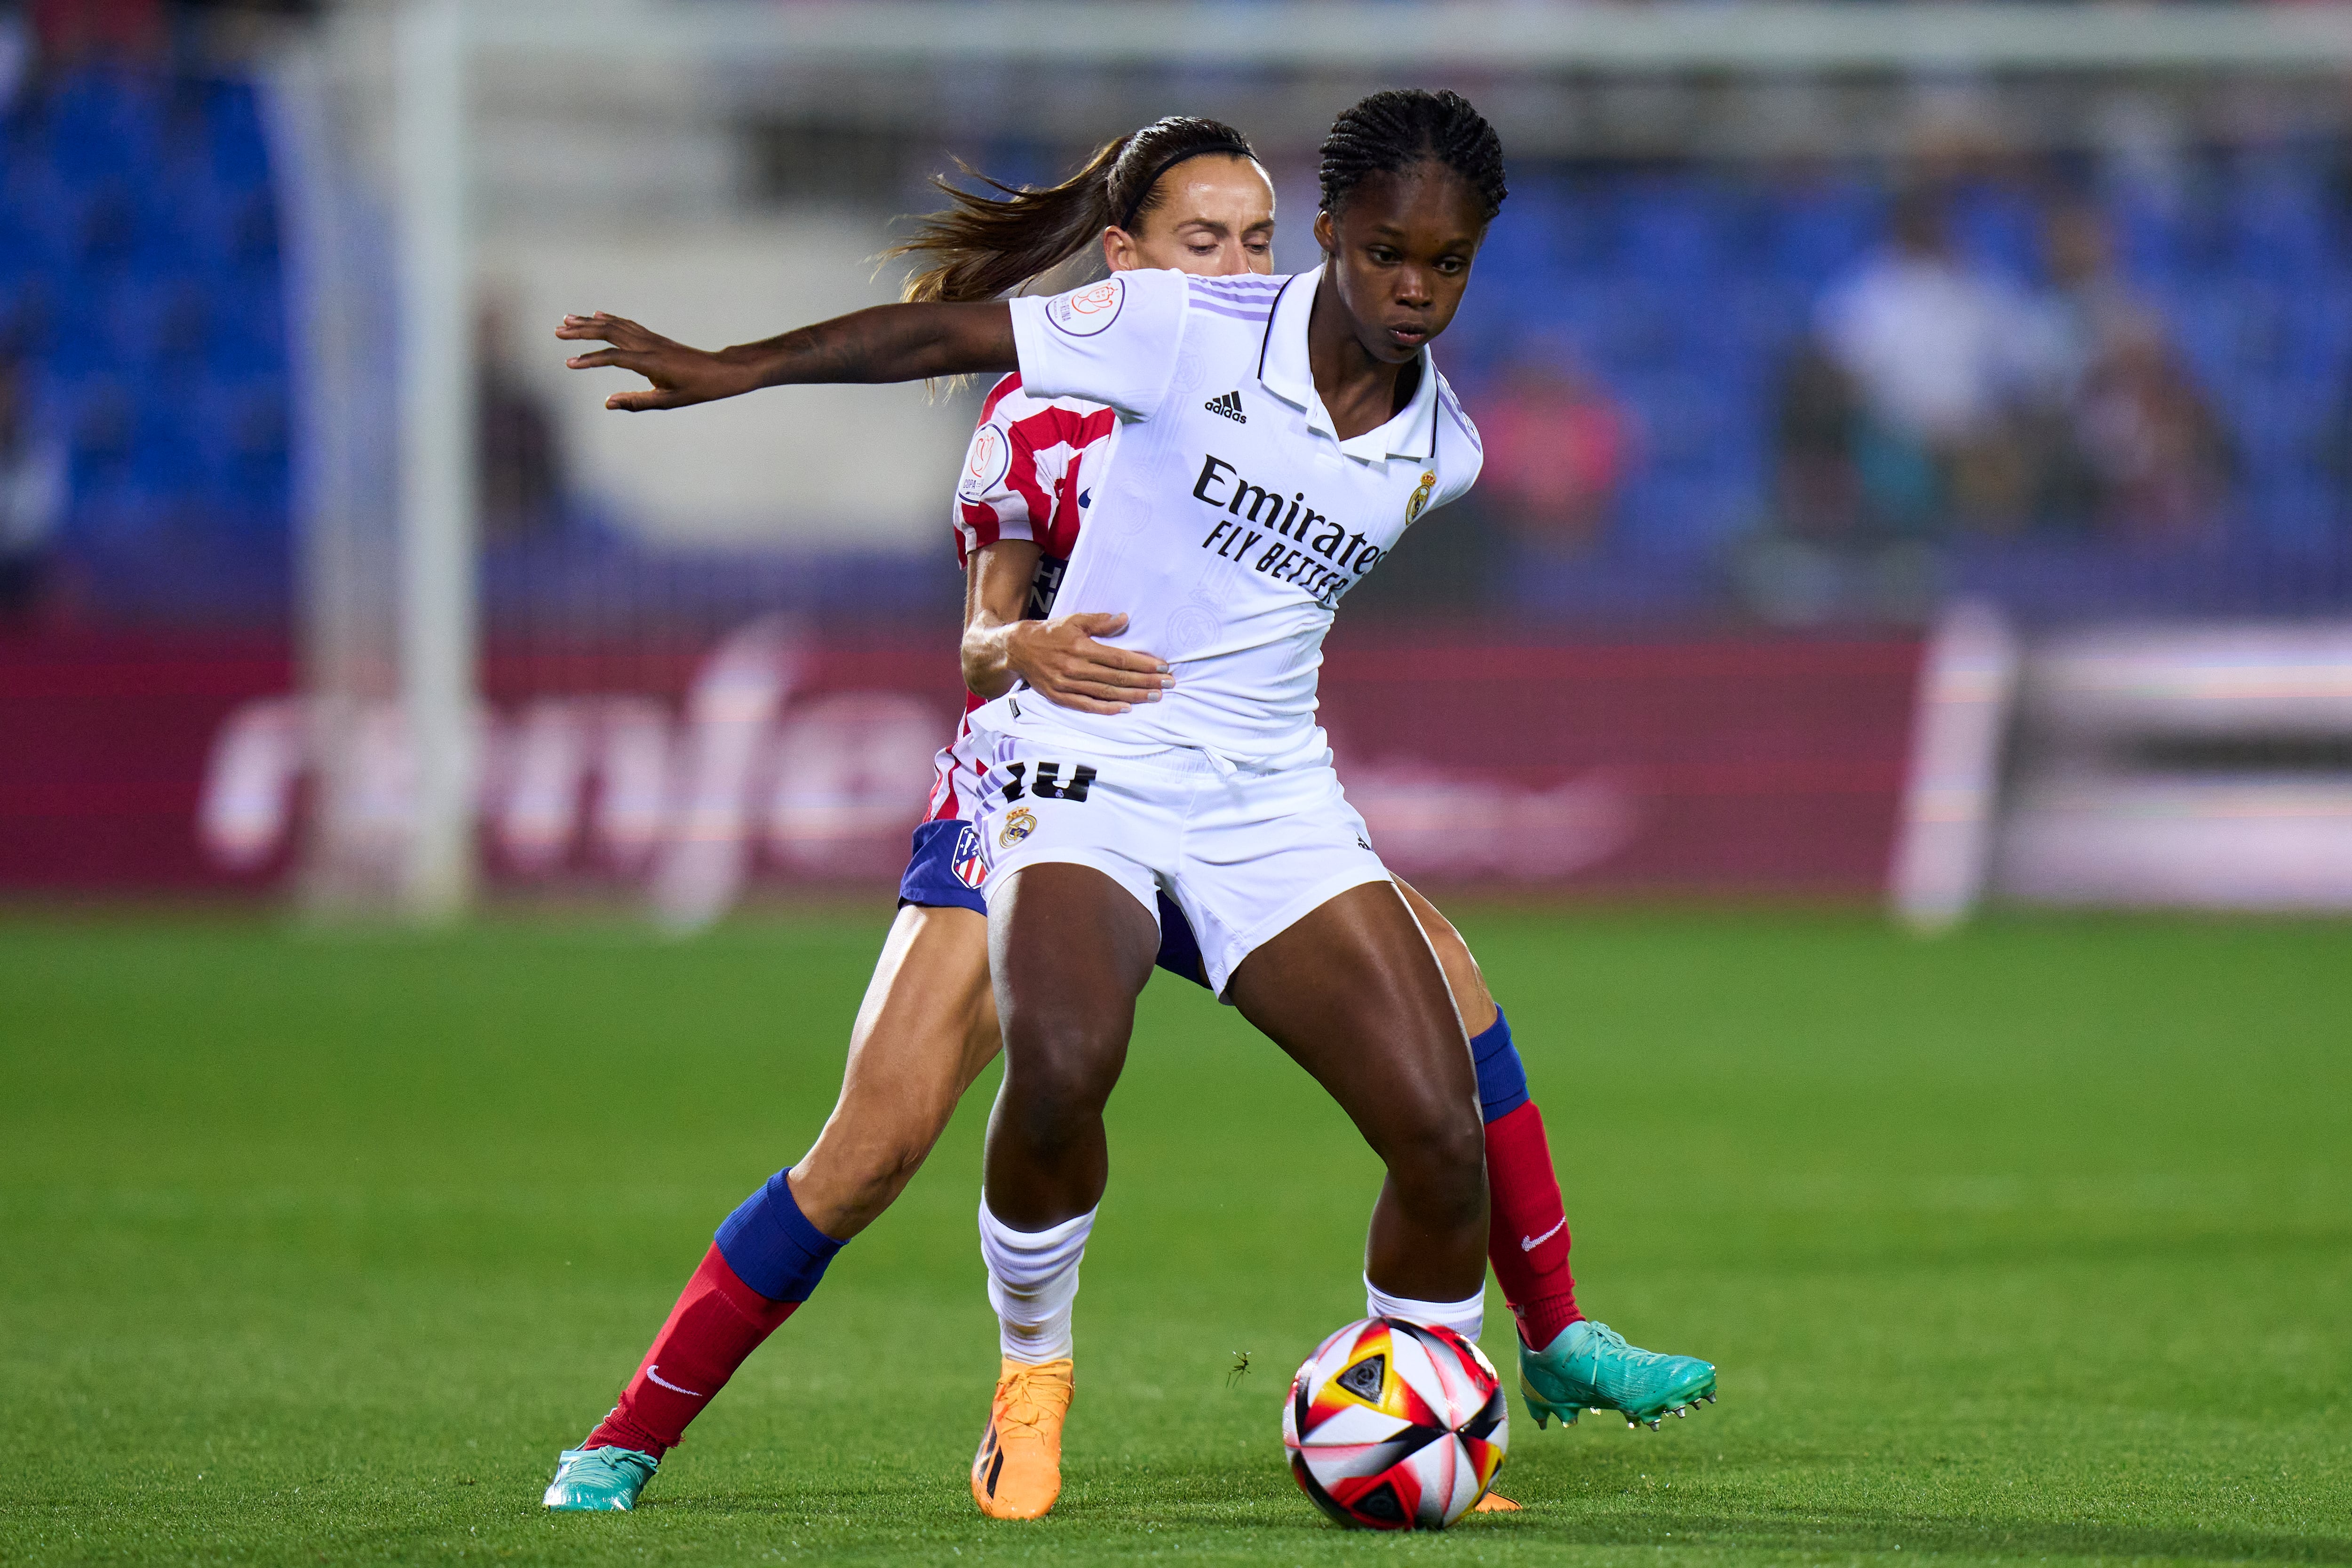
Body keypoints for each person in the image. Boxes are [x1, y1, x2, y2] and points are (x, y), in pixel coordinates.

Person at [546, 100, 1712, 1522]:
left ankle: (1465, 1392)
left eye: (1447, 263)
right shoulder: (1153, 346)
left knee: (1442, 1090)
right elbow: (943, 361)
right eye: (1207, 239)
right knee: (973, 1103)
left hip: (1266, 796)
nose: (1413, 286)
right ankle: (991, 1383)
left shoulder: (1444, 451)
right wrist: (733, 371)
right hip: (1069, 768)